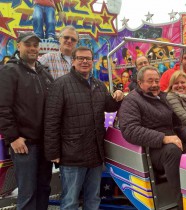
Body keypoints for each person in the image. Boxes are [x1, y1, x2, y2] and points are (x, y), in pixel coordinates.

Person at [44, 46, 124, 210]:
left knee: (93, 199)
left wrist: (118, 97)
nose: (85, 61)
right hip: (72, 155)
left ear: (93, 61)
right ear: (73, 61)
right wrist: (53, 152)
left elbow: (109, 106)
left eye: (88, 58)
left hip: (95, 153)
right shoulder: (60, 85)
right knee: (70, 200)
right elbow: (51, 120)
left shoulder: (98, 85)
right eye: (80, 58)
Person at [119, 65, 186, 209]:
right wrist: (163, 138)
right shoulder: (132, 100)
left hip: (171, 141)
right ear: (140, 83)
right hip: (151, 148)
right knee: (172, 151)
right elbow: (130, 130)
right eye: (150, 81)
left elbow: (178, 126)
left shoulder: (163, 97)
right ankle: (182, 202)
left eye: (157, 81)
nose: (155, 85)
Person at [0, 32, 54, 210]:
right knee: (28, 194)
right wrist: (13, 137)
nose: (32, 48)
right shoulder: (9, 71)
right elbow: (2, 107)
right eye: (28, 44)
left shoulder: (43, 72)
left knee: (44, 189)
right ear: (18, 45)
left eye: (35, 45)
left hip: (45, 144)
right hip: (24, 145)